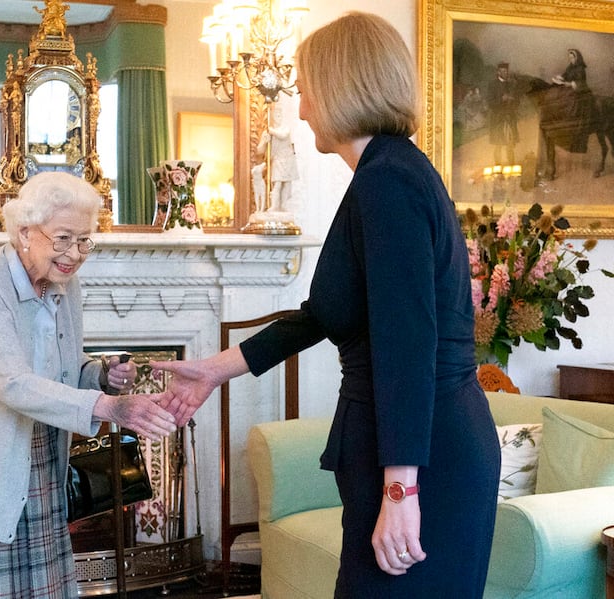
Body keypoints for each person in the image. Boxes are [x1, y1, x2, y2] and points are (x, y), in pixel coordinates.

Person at [154, 12, 500, 598]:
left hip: (427, 456)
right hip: (414, 447)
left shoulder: (387, 180)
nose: (303, 104)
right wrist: (214, 369)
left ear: (342, 85)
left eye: (306, 85)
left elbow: (407, 343)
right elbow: (324, 313)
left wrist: (401, 491)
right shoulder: (384, 173)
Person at [0, 171, 177, 599]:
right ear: (25, 232)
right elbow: (13, 383)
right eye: (62, 238)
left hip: (39, 457)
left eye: (84, 240)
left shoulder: (63, 284)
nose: (74, 254)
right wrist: (109, 407)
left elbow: (60, 364)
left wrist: (99, 374)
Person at [255, 102, 299, 212]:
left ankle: (283, 205)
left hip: (288, 159)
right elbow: (259, 151)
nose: (277, 118)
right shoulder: (268, 132)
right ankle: (274, 206)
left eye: (279, 115)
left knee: (287, 185)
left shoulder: (284, 129)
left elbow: (283, 135)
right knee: (277, 183)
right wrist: (264, 142)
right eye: (275, 115)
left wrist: (272, 131)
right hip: (278, 160)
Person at [487, 62, 519, 165]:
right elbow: (490, 103)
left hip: (509, 118)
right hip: (497, 119)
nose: (506, 73)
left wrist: (513, 100)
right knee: (498, 144)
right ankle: (498, 167)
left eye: (506, 71)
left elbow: (517, 101)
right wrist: (502, 99)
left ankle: (512, 165)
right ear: (498, 72)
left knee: (510, 144)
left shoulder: (511, 84)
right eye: (503, 71)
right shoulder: (492, 85)